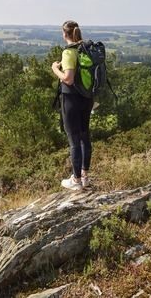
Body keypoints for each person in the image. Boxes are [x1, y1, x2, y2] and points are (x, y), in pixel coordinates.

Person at [51, 20, 93, 191]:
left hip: (71, 100)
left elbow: (68, 78)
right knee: (84, 136)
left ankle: (75, 181)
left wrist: (55, 68)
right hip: (87, 98)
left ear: (64, 34)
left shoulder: (69, 53)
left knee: (74, 140)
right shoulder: (86, 49)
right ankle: (84, 177)